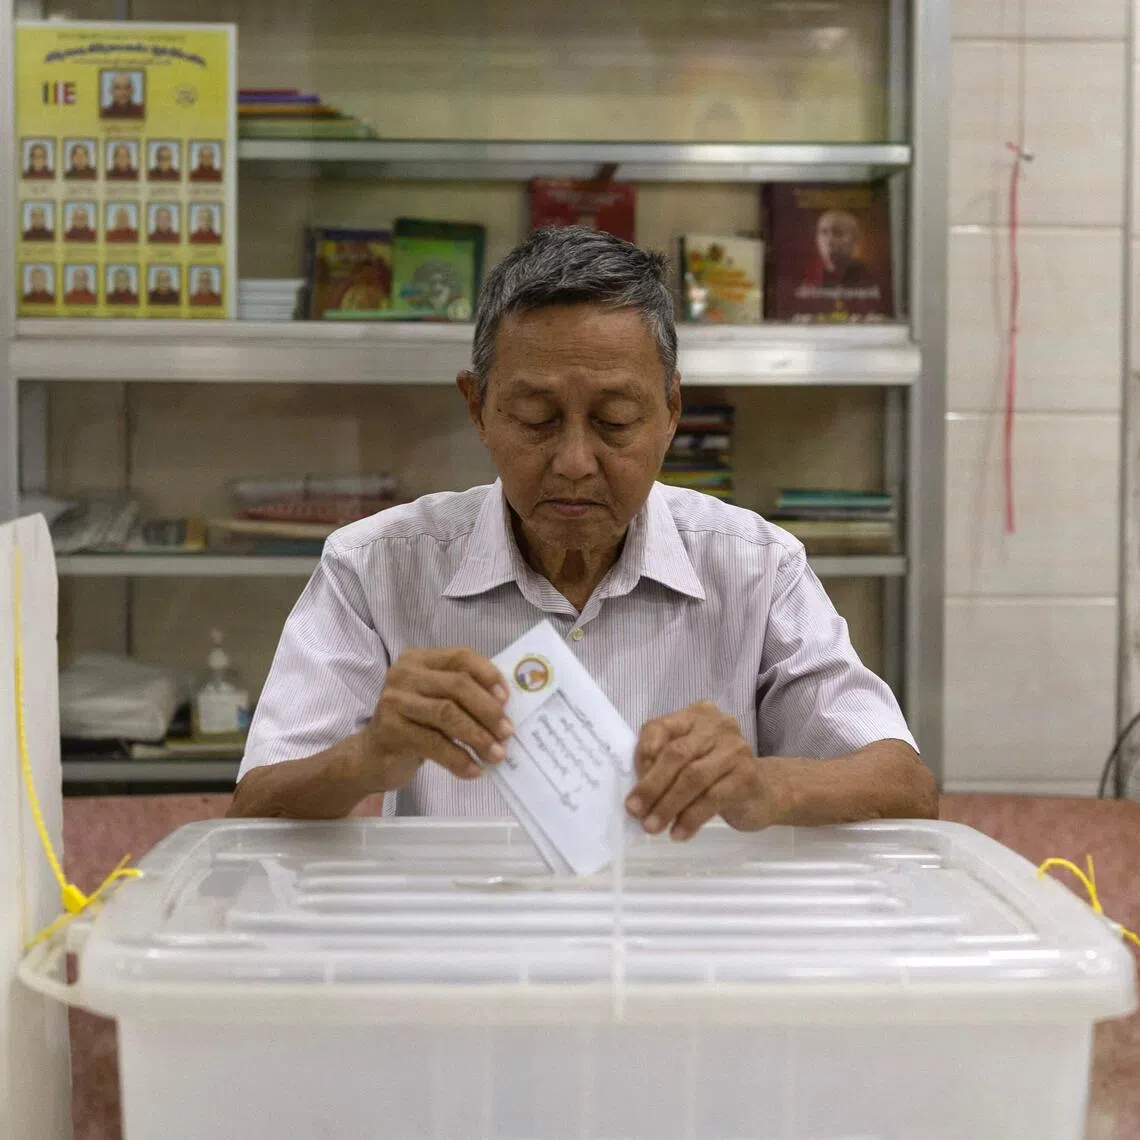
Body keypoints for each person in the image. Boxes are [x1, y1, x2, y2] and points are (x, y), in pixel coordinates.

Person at [230, 226, 935, 835]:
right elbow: (255, 807)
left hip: (685, 963)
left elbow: (904, 787)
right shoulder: (375, 567)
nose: (573, 463)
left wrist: (768, 786)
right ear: (477, 410)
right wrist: (370, 757)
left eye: (614, 422)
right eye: (536, 419)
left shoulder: (755, 567)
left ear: (670, 413)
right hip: (461, 958)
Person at [811, 210, 877, 289]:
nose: (829, 241)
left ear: (855, 239)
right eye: (823, 232)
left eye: (838, 233)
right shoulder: (812, 280)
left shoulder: (868, 278)